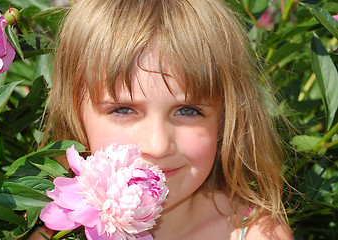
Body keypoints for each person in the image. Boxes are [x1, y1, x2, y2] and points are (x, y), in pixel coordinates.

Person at [30, 0, 294, 239]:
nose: (157, 146)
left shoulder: (259, 235)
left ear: (226, 118)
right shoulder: (55, 233)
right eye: (123, 109)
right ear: (75, 114)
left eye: (187, 110)